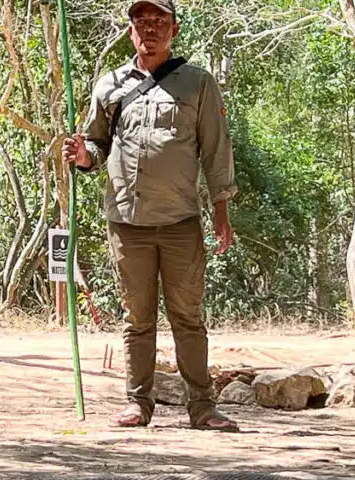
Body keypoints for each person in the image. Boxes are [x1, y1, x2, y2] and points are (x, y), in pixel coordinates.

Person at [62, 0, 239, 431]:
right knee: (137, 319)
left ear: (174, 29)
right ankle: (138, 403)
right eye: (142, 22)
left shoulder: (198, 83)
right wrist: (84, 156)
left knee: (187, 317)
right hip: (127, 221)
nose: (150, 29)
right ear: (131, 32)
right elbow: (97, 144)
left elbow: (216, 149)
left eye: (160, 21)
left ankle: (202, 406)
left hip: (180, 220)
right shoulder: (110, 86)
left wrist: (221, 210)